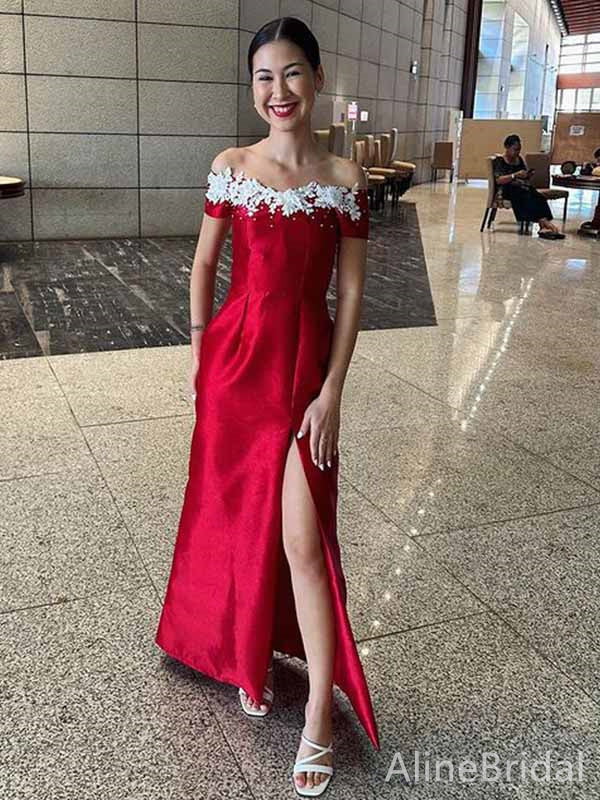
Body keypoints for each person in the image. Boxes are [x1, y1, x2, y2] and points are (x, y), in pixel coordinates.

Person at [154, 16, 380, 796]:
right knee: (237, 519)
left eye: (291, 73)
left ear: (316, 79)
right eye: (263, 76)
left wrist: (333, 392)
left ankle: (319, 713)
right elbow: (203, 265)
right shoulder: (232, 167)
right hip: (237, 369)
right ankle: (246, 657)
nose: (277, 90)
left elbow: (352, 293)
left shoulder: (345, 180)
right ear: (252, 87)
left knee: (304, 541)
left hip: (306, 376)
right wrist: (198, 353)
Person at [493, 134, 565, 240]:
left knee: (538, 196)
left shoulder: (519, 159)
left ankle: (543, 224)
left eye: (519, 150)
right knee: (524, 196)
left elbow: (523, 174)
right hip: (507, 189)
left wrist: (527, 175)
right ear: (507, 147)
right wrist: (515, 175)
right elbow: (499, 180)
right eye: (515, 149)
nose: (517, 152)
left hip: (520, 187)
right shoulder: (499, 161)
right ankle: (545, 223)